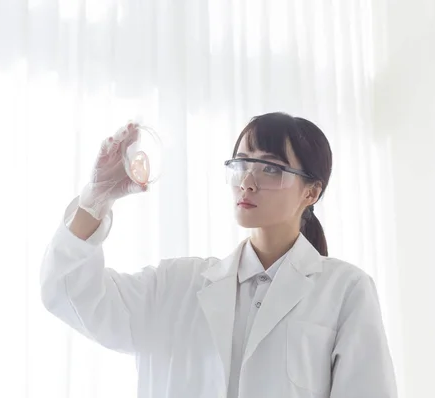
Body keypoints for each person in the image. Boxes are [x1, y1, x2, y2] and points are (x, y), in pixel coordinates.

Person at [40, 112, 398, 398]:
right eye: (242, 164)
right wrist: (97, 198)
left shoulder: (345, 290)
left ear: (311, 192)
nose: (248, 180)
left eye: (271, 168)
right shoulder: (175, 285)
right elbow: (69, 293)